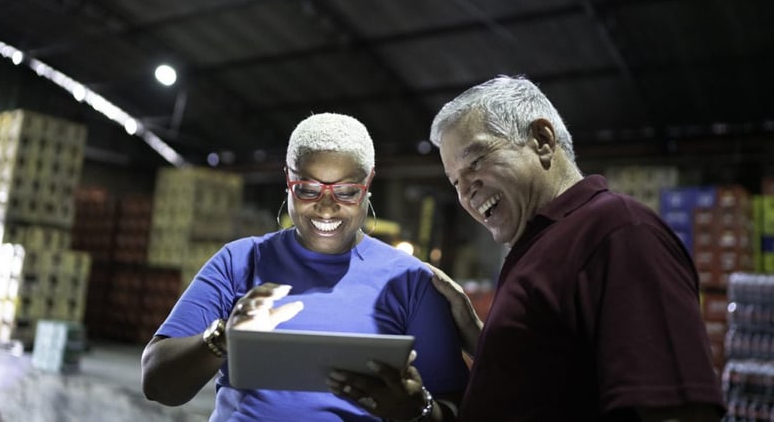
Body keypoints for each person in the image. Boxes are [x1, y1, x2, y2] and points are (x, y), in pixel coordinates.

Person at [422, 74, 724, 420]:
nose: (465, 192)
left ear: (542, 139)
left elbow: (677, 411)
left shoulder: (618, 231)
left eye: (475, 162)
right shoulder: (538, 244)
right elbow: (556, 379)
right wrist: (479, 338)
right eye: (455, 181)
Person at [141, 112, 469, 421]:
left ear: (368, 183)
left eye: (346, 192)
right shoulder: (240, 262)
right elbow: (157, 383)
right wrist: (221, 338)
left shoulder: (410, 281)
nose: (326, 208)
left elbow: (459, 405)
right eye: (308, 190)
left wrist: (417, 410)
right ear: (288, 180)